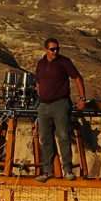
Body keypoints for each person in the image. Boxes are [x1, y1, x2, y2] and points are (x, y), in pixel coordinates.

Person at [35, 38, 87, 182]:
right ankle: (47, 171)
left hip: (60, 103)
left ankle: (68, 170)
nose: (56, 51)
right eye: (52, 49)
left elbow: (77, 78)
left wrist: (82, 98)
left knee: (63, 136)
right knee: (45, 138)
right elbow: (38, 81)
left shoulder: (64, 62)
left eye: (57, 48)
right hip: (44, 105)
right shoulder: (41, 63)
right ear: (46, 49)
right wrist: (40, 93)